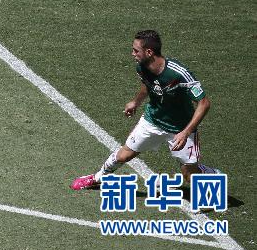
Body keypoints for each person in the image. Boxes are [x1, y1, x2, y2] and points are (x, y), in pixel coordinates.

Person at [72, 30, 220, 190]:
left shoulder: (179, 74)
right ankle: (97, 178)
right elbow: (148, 84)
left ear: (149, 52)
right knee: (124, 154)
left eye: (136, 50)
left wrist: (185, 132)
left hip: (180, 129)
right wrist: (135, 102)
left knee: (189, 175)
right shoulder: (142, 68)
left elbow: (204, 103)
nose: (132, 53)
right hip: (153, 121)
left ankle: (213, 175)